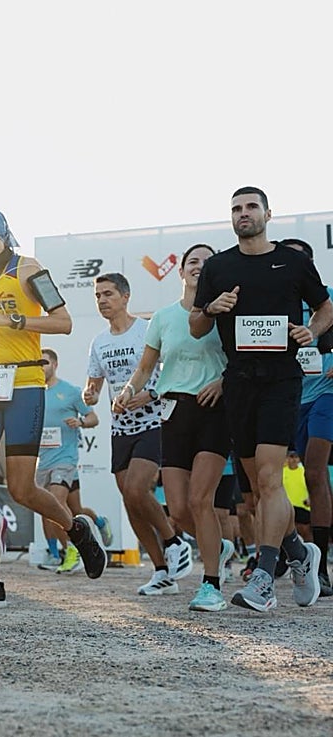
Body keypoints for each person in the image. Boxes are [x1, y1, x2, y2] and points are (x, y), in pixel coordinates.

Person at [0, 206, 106, 610]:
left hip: (23, 383)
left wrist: (16, 321)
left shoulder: (27, 269)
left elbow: (64, 321)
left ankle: (76, 530)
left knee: (22, 488)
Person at [191, 186, 331, 612]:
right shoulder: (218, 266)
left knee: (271, 480)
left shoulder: (292, 261)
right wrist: (212, 308)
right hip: (239, 383)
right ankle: (299, 552)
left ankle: (264, 579)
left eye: (251, 206)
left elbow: (325, 307)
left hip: (281, 381)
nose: (243, 213)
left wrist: (314, 331)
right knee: (258, 487)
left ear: (268, 213)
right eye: (236, 208)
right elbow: (197, 326)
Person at [119, 246, 234, 611]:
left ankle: (212, 586)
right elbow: (145, 367)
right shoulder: (163, 317)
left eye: (207, 262)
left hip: (214, 408)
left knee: (201, 500)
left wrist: (224, 383)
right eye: (193, 262)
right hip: (172, 412)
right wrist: (129, 389)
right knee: (180, 511)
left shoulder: (227, 312)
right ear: (181, 273)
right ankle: (219, 545)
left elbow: (242, 359)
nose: (199, 267)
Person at [85, 271, 194, 597]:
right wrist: (88, 396)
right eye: (98, 296)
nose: (103, 301)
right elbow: (92, 387)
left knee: (136, 489)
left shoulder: (147, 330)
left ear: (125, 296)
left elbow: (172, 373)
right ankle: (162, 572)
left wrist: (149, 394)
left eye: (108, 294)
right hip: (121, 429)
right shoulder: (99, 342)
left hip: (155, 422)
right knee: (131, 502)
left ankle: (176, 542)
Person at [279, 237, 333, 596]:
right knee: (280, 480)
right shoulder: (274, 301)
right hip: (289, 397)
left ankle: (323, 567)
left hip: (327, 393)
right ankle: (295, 554)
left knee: (315, 470)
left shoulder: (327, 296)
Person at [36, 348, 104, 574]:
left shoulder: (70, 391)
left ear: (55, 365)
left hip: (65, 459)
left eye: (45, 362)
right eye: (38, 363)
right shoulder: (33, 393)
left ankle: (72, 551)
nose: (41, 366)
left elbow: (93, 417)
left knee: (54, 503)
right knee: (73, 509)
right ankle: (98, 524)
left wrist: (81, 423)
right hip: (43, 460)